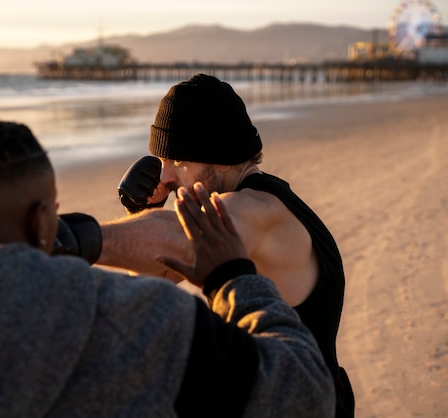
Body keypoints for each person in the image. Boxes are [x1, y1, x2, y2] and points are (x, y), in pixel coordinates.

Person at [0, 117, 334, 417]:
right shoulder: (144, 321)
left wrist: (84, 236)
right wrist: (232, 279)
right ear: (43, 218)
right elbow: (305, 395)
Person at [101, 73, 355, 417]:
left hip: (301, 403)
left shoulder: (257, 211)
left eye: (178, 162)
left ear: (219, 157)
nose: (165, 177)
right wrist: (144, 211)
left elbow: (172, 236)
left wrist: (65, 239)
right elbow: (155, 280)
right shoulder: (262, 200)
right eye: (161, 162)